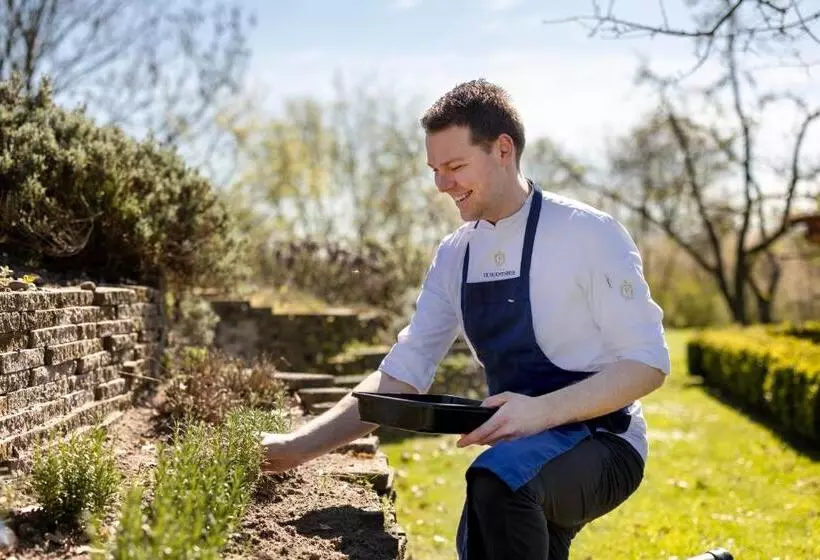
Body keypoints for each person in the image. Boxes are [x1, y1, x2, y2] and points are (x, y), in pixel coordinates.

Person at [260, 79, 670, 560]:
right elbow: (403, 372)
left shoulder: (588, 234)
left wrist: (541, 412)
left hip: (605, 441)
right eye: (435, 169)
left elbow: (647, 364)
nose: (441, 184)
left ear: (503, 150)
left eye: (455, 166)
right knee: (486, 530)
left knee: (496, 484)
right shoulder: (456, 255)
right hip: (523, 454)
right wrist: (295, 448)